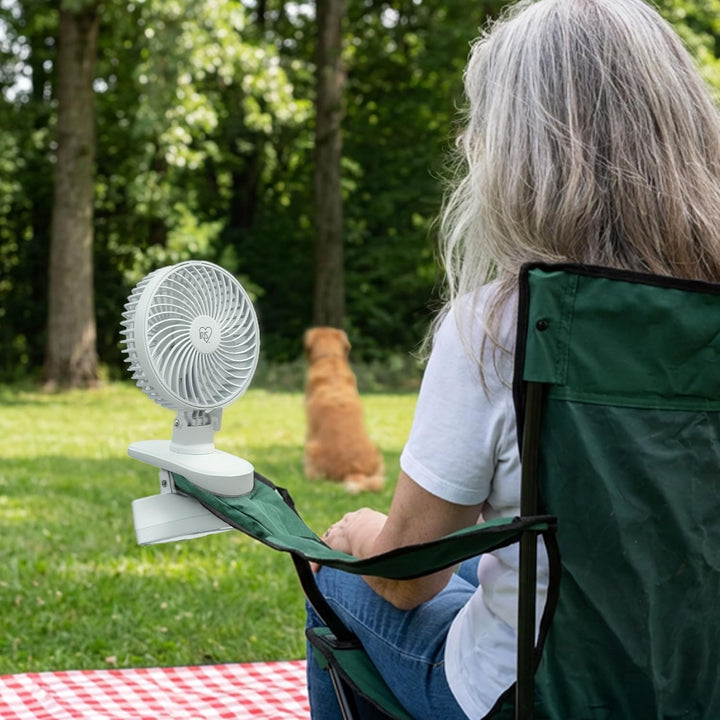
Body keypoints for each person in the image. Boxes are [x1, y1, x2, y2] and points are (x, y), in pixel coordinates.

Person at [306, 0, 720, 718]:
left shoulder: (502, 327)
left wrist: (361, 535)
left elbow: (407, 579)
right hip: (700, 685)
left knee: (338, 577)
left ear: (522, 153)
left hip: (535, 699)